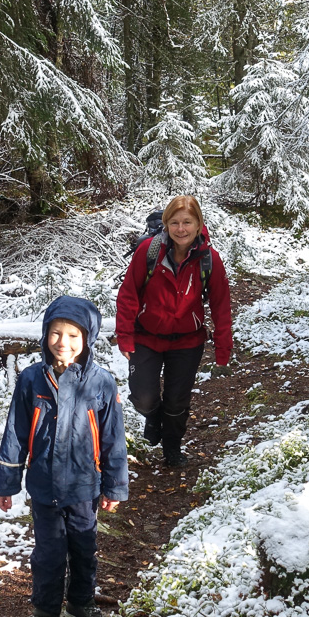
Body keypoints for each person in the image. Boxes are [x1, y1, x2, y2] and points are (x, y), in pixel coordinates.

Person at [0, 295, 128, 617]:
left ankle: (81, 604)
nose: (62, 343)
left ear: (87, 339)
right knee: (49, 552)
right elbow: (16, 433)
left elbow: (112, 438)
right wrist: (7, 482)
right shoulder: (31, 380)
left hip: (85, 486)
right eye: (55, 333)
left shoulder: (101, 382)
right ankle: (45, 613)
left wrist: (114, 486)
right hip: (44, 487)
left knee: (84, 546)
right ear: (44, 335)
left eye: (72, 336)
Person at [115, 195, 233, 468]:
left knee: (177, 398)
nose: (181, 229)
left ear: (198, 223)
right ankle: (153, 417)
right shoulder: (148, 251)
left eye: (187, 222)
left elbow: (221, 306)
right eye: (175, 222)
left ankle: (172, 448)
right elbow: (128, 295)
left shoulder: (209, 260)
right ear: (166, 224)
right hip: (147, 336)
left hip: (187, 341)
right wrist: (125, 336)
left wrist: (223, 348)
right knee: (143, 396)